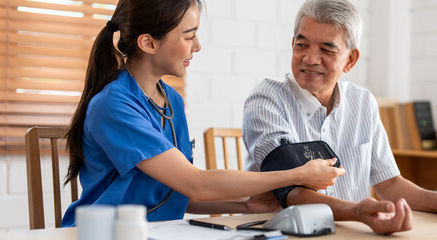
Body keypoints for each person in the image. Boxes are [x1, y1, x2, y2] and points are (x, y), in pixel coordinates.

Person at [60, 0, 345, 227]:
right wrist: (297, 174)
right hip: (104, 233)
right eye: (189, 36)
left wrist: (245, 206)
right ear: (148, 43)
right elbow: (196, 183)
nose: (197, 46)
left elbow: (175, 194)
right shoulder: (114, 106)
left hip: (157, 231)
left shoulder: (171, 100)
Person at [242, 0, 437, 235]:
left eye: (326, 49)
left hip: (352, 232)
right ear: (293, 43)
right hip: (283, 233)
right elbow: (290, 191)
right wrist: (357, 212)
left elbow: (389, 184)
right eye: (302, 45)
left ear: (350, 60)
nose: (310, 58)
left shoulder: (363, 102)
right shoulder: (266, 99)